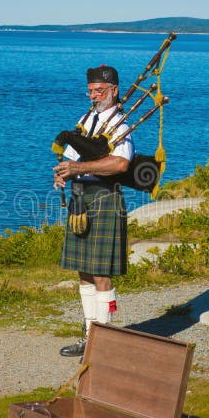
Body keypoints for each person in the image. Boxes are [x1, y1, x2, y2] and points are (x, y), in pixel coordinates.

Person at [53, 64, 133, 357]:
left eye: (99, 90)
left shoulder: (121, 124)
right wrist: (63, 172)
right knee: (84, 272)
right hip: (80, 198)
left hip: (103, 197)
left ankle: (106, 342)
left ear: (113, 90)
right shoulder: (87, 120)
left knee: (101, 274)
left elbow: (120, 164)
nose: (94, 95)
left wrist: (79, 167)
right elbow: (71, 155)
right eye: (90, 90)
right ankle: (90, 337)